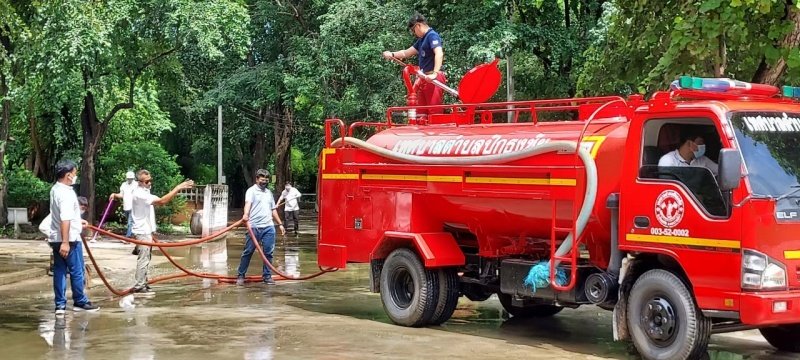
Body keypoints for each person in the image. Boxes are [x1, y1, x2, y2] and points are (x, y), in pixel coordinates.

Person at [130, 169, 194, 295]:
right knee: (144, 258)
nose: (150, 183)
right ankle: (139, 286)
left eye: (150, 180)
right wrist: (178, 188)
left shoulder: (145, 192)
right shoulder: (139, 194)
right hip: (142, 231)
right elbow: (162, 201)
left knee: (146, 257)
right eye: (147, 181)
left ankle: (143, 282)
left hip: (146, 231)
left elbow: (160, 200)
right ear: (140, 182)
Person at [48, 160, 99, 315]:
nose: (75, 177)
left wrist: (78, 221)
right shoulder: (67, 193)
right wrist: (65, 242)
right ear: (68, 175)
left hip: (56, 238)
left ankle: (60, 306)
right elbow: (65, 218)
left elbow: (65, 216)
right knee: (77, 270)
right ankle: (80, 301)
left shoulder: (55, 189)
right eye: (75, 174)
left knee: (60, 271)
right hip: (68, 239)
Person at [382, 12, 446, 115]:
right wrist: (392, 54)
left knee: (434, 112)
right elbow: (406, 53)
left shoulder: (432, 35)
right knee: (421, 113)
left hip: (433, 79)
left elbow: (439, 53)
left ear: (418, 25)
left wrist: (435, 73)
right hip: (424, 79)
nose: (414, 34)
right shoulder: (421, 41)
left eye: (413, 30)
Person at [236, 169, 286, 286]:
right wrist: (245, 215)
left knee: (268, 253)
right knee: (248, 252)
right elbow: (247, 204)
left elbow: (273, 209)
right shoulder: (251, 191)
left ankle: (267, 276)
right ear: (257, 179)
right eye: (262, 180)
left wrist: (280, 224)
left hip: (268, 227)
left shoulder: (268, 193)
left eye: (266, 181)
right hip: (254, 227)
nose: (264, 183)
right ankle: (241, 275)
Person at [40, 197, 88, 276]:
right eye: (82, 208)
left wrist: (80, 223)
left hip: (71, 242)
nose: (82, 211)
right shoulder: (60, 212)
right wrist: (55, 236)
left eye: (84, 209)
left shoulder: (74, 215)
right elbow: (43, 227)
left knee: (74, 268)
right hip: (62, 242)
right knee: (68, 269)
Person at [109, 171, 138, 239]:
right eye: (128, 178)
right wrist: (114, 194)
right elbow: (121, 195)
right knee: (131, 222)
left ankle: (128, 237)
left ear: (133, 178)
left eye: (131, 178)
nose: (130, 179)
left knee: (130, 223)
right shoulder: (124, 185)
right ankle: (133, 235)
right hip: (126, 206)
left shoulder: (136, 185)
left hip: (133, 206)